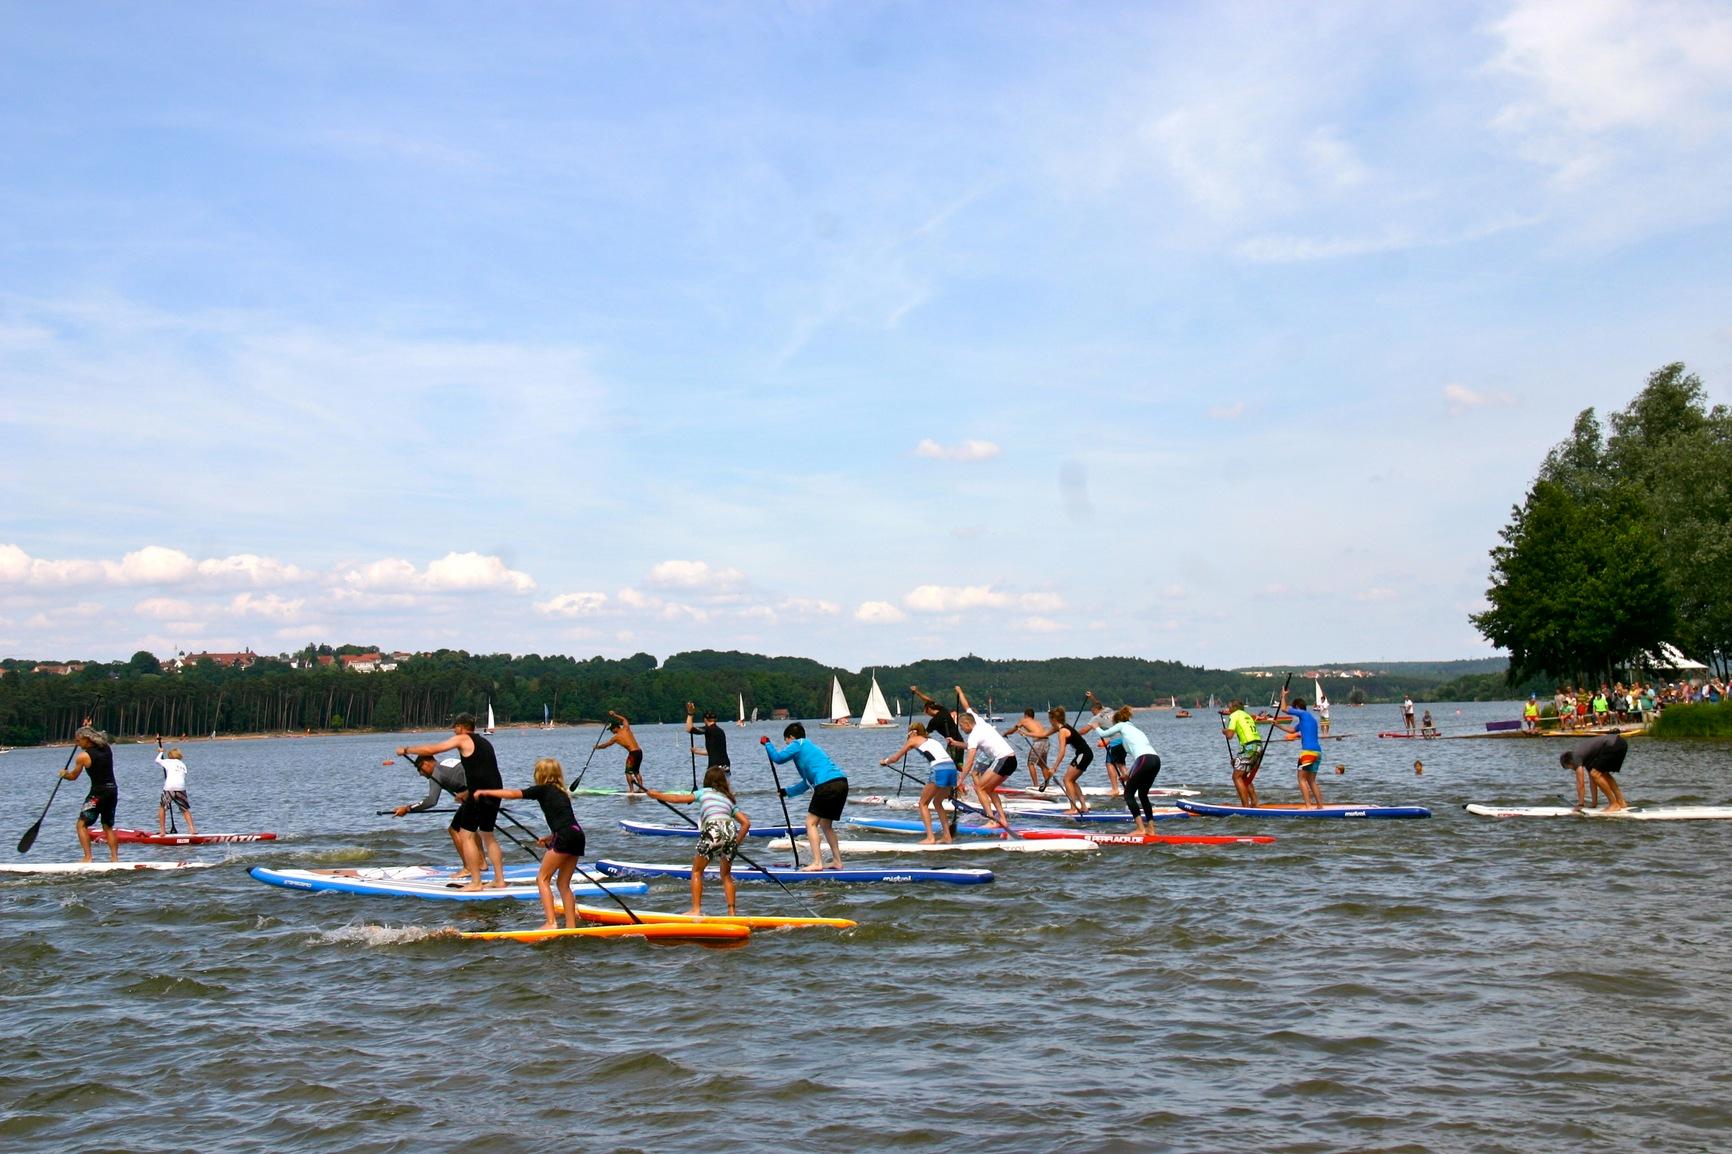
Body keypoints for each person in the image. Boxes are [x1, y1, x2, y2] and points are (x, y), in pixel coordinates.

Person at [470, 758, 586, 930]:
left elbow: (513, 794)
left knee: (542, 879)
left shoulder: (543, 789)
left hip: (565, 836)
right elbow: (566, 820)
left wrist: (485, 792)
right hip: (577, 835)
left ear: (540, 775)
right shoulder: (562, 793)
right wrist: (551, 837)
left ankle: (551, 923)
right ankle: (571, 926)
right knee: (563, 884)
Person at [398, 712, 505, 891]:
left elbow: (432, 750)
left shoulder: (463, 738)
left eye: (455, 727)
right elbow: (484, 772)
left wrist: (407, 750)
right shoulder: (485, 742)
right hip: (495, 790)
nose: (454, 731)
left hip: (478, 794)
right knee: (487, 835)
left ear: (461, 727)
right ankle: (499, 880)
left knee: (465, 835)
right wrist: (466, 792)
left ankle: (476, 882)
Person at [646, 767, 751, 915]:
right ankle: (732, 912)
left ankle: (696, 910)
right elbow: (746, 823)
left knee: (696, 871)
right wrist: (735, 844)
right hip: (730, 831)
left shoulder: (703, 792)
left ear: (707, 781)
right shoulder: (729, 799)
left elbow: (678, 799)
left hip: (713, 829)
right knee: (726, 875)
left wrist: (657, 795)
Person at [763, 724, 848, 871]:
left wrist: (767, 744)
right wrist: (786, 792)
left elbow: (778, 758)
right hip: (841, 783)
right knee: (826, 825)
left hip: (826, 785)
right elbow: (805, 784)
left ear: (791, 737)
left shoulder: (798, 744)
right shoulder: (811, 748)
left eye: (786, 742)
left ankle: (817, 863)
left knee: (810, 823)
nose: (787, 746)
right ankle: (837, 862)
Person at [391, 753, 477, 873]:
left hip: (475, 795)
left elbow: (431, 801)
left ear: (426, 763)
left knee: (455, 830)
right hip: (482, 790)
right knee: (470, 829)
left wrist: (407, 809)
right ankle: (481, 864)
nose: (420, 774)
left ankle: (468, 868)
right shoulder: (445, 764)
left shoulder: (436, 774)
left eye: (419, 769)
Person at [880, 722, 958, 843]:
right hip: (952, 769)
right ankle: (947, 837)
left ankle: (930, 838)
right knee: (937, 802)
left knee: (923, 803)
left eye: (909, 733)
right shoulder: (932, 740)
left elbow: (895, 758)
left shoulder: (913, 739)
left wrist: (885, 761)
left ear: (914, 732)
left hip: (939, 769)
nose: (908, 736)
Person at [1091, 707, 1163, 835]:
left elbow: (1103, 734)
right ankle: (1151, 829)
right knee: (1143, 795)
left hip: (1144, 759)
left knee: (1128, 795)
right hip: (1155, 760)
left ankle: (1140, 829)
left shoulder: (1122, 725)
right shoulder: (1135, 729)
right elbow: (1139, 758)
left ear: (1117, 721)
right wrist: (1127, 775)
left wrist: (1095, 726)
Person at [957, 707, 1018, 833]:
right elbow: (967, 706)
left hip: (1003, 759)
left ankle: (991, 820)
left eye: (961, 727)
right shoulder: (981, 724)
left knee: (979, 788)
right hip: (1012, 760)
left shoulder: (973, 736)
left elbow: (969, 761)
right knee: (989, 789)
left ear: (967, 724)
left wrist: (960, 780)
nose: (962, 730)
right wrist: (955, 743)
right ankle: (1002, 820)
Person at [63, 724, 119, 863]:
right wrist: (87, 726)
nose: (77, 743)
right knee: (108, 827)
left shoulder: (83, 756)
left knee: (81, 825)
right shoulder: (107, 748)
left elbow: (73, 777)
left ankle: (87, 858)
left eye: (78, 740)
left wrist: (64, 774)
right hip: (112, 791)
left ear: (87, 739)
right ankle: (114, 859)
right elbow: (99, 736)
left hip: (98, 794)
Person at [1276, 693, 1325, 808]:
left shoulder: (1303, 713)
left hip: (1308, 752)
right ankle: (1320, 806)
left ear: (1297, 707)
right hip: (1318, 752)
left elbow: (1284, 709)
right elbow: (1292, 730)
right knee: (1311, 780)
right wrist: (1278, 725)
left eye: (1294, 708)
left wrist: (1283, 696)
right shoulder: (1309, 719)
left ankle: (1308, 806)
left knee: (1301, 778)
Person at [1560, 733, 1630, 813]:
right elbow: (1593, 781)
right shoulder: (1585, 757)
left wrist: (1580, 804)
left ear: (1569, 762)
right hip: (1621, 743)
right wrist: (1594, 803)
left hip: (1612, 745)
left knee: (1595, 774)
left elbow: (1581, 784)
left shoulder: (1575, 758)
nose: (1572, 769)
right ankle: (1621, 802)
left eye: (1569, 768)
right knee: (1603, 774)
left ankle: (1614, 804)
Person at [1048, 706, 1094, 815]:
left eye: (1049, 719)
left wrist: (1054, 767)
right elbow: (1043, 734)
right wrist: (1027, 734)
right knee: (1071, 780)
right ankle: (1083, 807)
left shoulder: (1062, 731)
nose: (1049, 722)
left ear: (1053, 719)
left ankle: (1073, 809)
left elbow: (1062, 752)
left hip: (1084, 754)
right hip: (1085, 754)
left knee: (1067, 780)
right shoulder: (1064, 727)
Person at [1222, 698, 1265, 806]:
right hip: (1258, 746)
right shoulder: (1247, 715)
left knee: (1236, 776)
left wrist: (1224, 731)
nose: (1228, 709)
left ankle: (1245, 806)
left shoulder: (1234, 715)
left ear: (1235, 707)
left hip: (1249, 747)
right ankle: (1254, 803)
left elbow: (1230, 735)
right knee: (1244, 776)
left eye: (1229, 707)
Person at [1085, 691, 1126, 795]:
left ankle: (1115, 789)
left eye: (1092, 712)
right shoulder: (1108, 710)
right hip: (1124, 739)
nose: (1092, 714)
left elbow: (1084, 731)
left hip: (1115, 742)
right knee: (1121, 764)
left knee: (1110, 764)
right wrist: (1091, 697)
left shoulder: (1096, 718)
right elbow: (1098, 703)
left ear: (1095, 710)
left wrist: (1072, 734)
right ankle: (1130, 786)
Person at [154, 737, 197, 836]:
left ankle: (162, 830)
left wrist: (161, 752)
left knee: (162, 807)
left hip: (170, 787)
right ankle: (192, 829)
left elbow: (157, 760)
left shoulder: (168, 761)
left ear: (170, 756)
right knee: (185, 809)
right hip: (181, 788)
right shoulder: (183, 764)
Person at [1002, 708, 1054, 790]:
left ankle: (1036, 785)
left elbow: (1013, 729)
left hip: (1039, 742)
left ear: (1026, 715)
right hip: (1046, 742)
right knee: (1042, 764)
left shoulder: (1024, 720)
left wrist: (1005, 733)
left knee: (1031, 764)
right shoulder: (1037, 722)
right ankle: (1047, 785)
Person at [910, 686, 966, 759]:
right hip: (960, 742)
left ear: (929, 709)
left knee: (949, 763)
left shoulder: (934, 721)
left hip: (954, 745)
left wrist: (913, 737)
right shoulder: (943, 710)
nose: (928, 715)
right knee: (958, 764)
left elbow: (924, 735)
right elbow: (928, 701)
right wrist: (917, 692)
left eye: (927, 712)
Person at [599, 710, 645, 793]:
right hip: (639, 752)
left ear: (616, 728)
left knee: (628, 772)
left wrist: (597, 747)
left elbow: (606, 745)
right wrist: (614, 715)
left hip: (633, 754)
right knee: (636, 771)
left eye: (611, 729)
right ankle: (641, 789)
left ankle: (631, 791)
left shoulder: (616, 737)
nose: (611, 731)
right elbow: (624, 719)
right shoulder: (626, 729)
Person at [685, 702, 731, 780]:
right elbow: (714, 752)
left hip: (715, 768)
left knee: (711, 786)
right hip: (726, 766)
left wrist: (690, 714)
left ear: (705, 720)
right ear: (715, 720)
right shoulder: (721, 731)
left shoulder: (708, 729)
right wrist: (697, 751)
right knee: (724, 786)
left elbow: (689, 729)